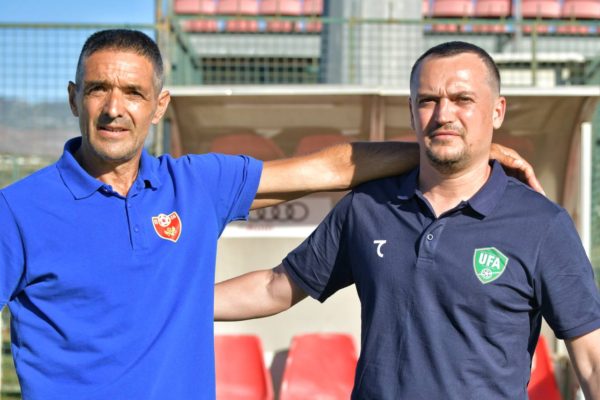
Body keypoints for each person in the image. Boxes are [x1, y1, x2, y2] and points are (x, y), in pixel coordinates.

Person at [0, 29, 538, 399]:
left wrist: (466, 152)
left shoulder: (194, 185)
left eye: (134, 92)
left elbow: (329, 168)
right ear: (74, 98)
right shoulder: (18, 211)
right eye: (98, 89)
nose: (115, 108)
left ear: (159, 106)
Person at [215, 41, 600, 399]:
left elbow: (591, 360)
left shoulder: (541, 223)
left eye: (462, 99)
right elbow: (275, 287)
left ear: (497, 111)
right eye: (428, 100)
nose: (444, 114)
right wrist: (180, 298)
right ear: (411, 112)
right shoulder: (368, 206)